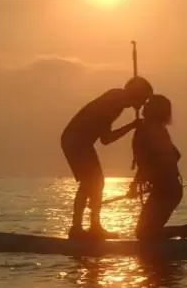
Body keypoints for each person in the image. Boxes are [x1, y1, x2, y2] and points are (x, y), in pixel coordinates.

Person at [61, 76, 154, 239]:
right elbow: (107, 139)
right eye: (144, 98)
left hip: (80, 141)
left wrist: (131, 126)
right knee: (90, 182)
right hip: (76, 141)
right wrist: (132, 125)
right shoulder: (115, 101)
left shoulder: (117, 100)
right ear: (136, 93)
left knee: (95, 183)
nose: (143, 103)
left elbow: (105, 138)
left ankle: (92, 227)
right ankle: (78, 228)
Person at [130, 94, 187, 241]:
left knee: (145, 234)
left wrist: (140, 182)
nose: (144, 106)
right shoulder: (155, 129)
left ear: (155, 110)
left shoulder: (150, 130)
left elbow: (154, 160)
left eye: (149, 104)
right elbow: (174, 155)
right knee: (145, 232)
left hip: (167, 190)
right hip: (166, 189)